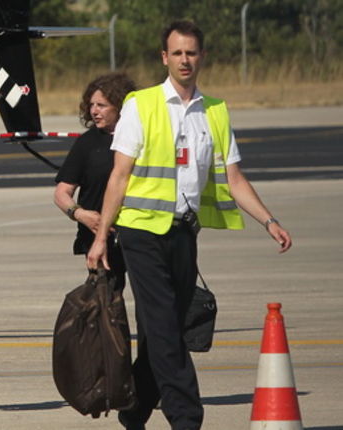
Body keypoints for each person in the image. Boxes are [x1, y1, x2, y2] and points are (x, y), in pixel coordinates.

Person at [87, 21, 293, 430]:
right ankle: (187, 419)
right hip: (141, 231)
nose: (185, 60)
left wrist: (268, 220)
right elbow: (119, 177)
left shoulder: (214, 110)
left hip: (184, 233)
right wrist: (100, 238)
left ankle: (134, 407)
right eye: (177, 53)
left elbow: (233, 178)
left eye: (191, 53)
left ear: (201, 57)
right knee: (164, 326)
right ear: (165, 58)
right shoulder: (141, 105)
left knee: (167, 330)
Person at [54, 72, 136, 289]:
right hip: (97, 233)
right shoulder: (87, 143)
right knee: (105, 295)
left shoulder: (139, 137)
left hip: (135, 230)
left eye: (102, 105)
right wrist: (80, 214)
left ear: (119, 107)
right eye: (92, 105)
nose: (94, 111)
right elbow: (61, 193)